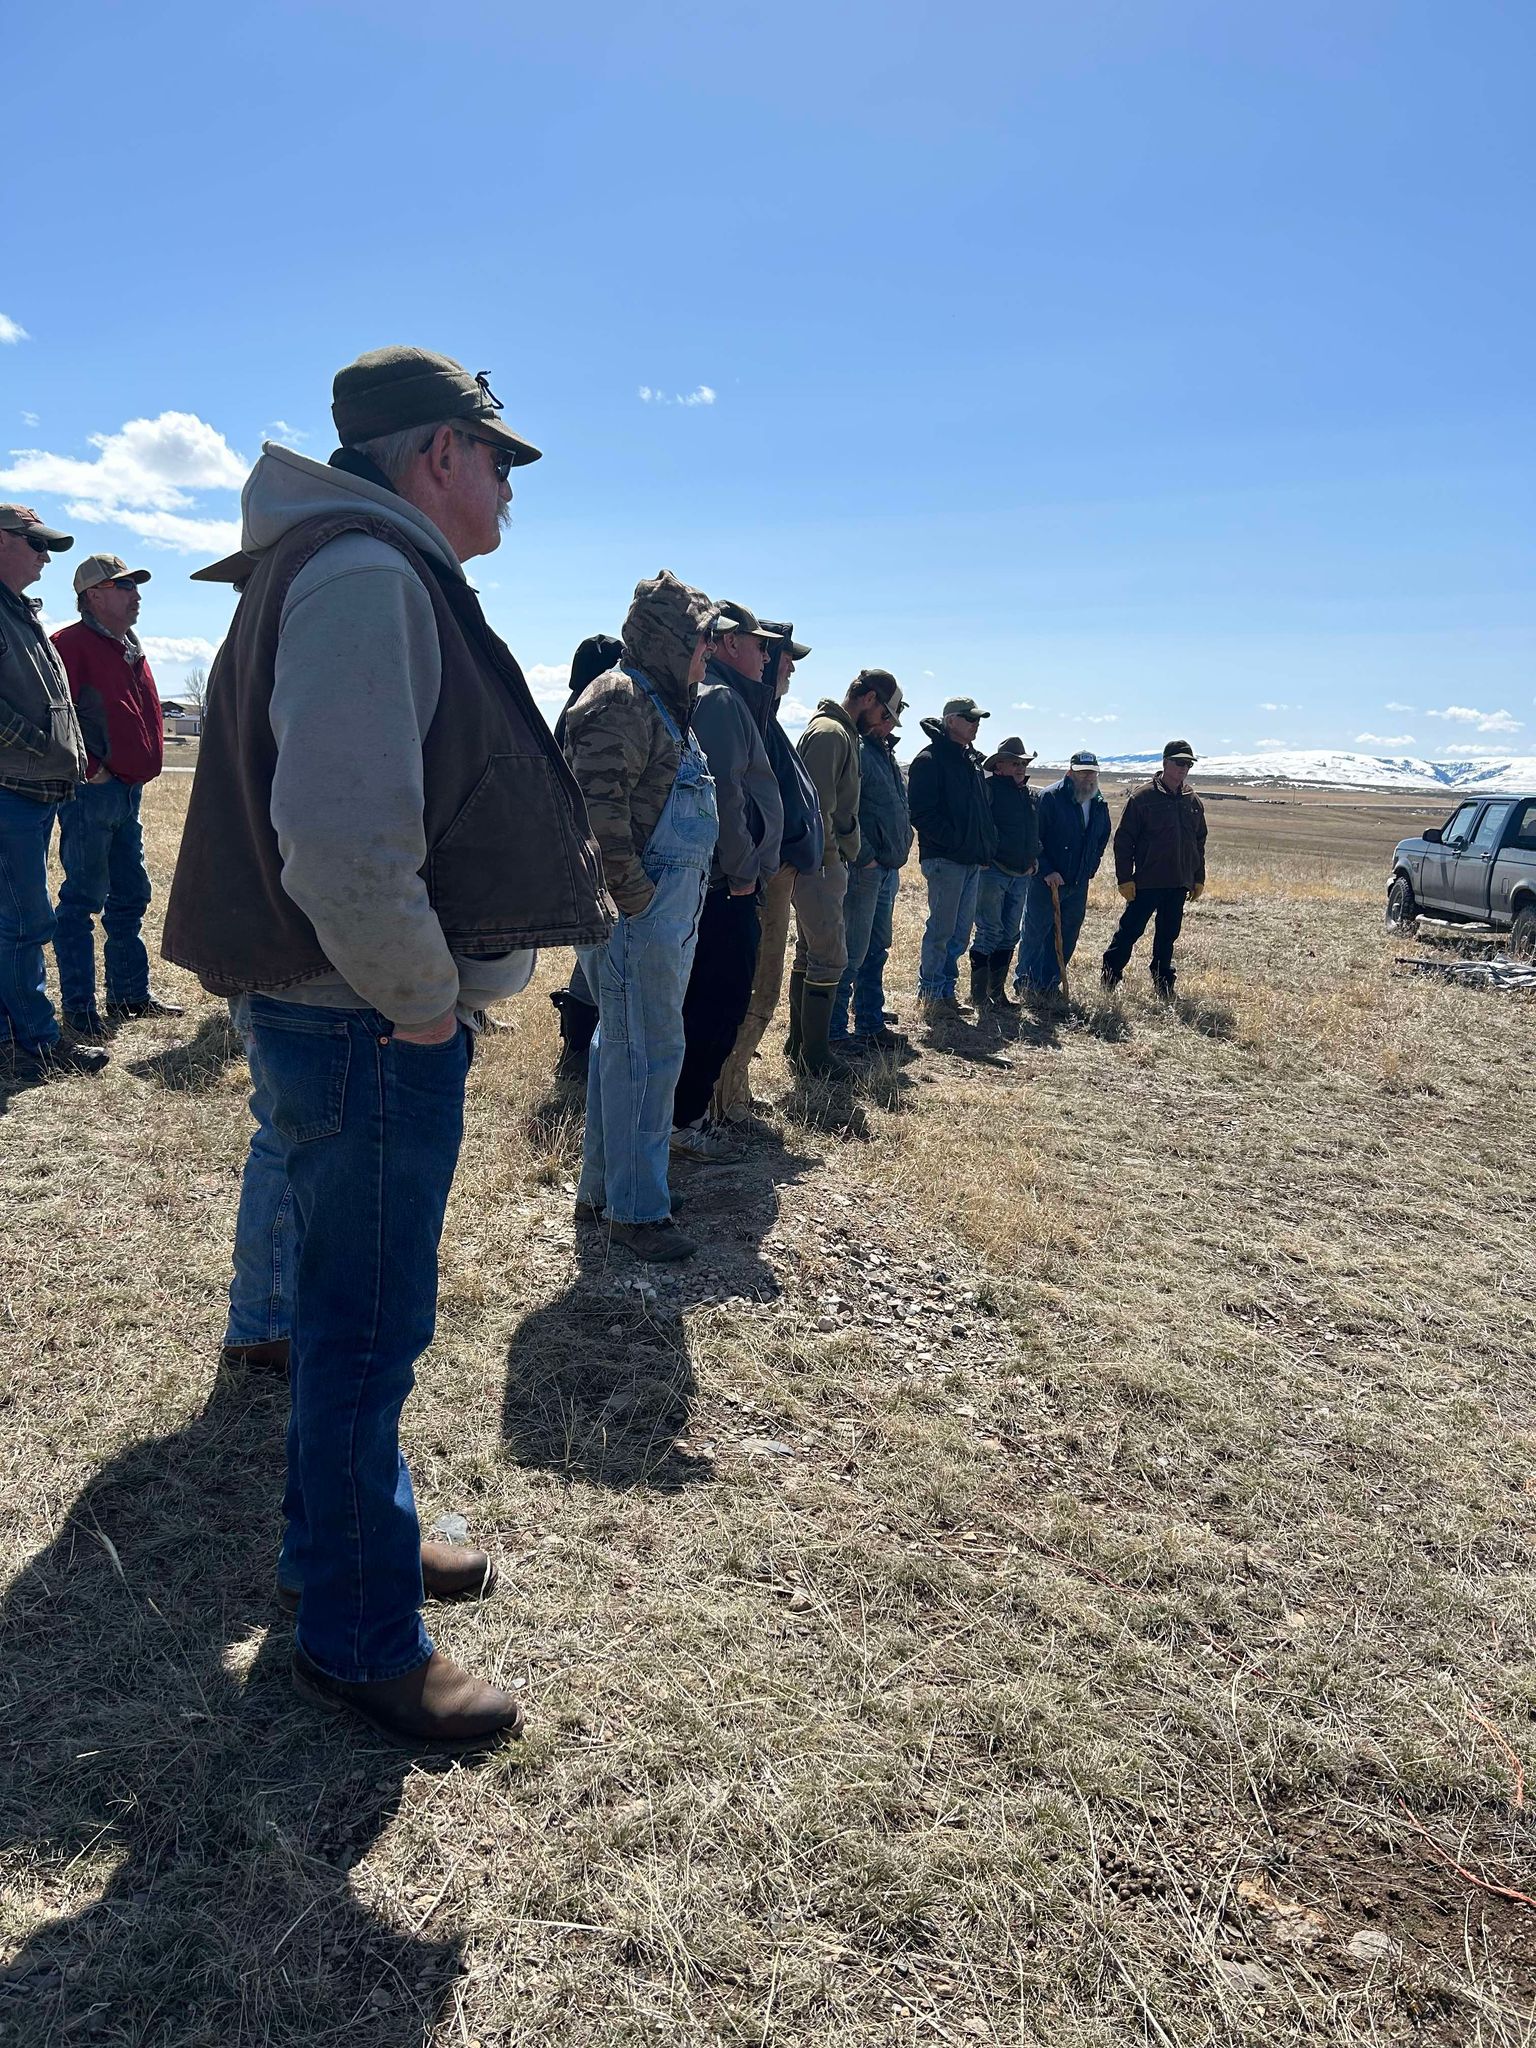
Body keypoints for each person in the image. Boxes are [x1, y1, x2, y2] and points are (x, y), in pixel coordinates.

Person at [162, 346, 612, 1750]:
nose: (506, 492)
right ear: (434, 456)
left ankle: (355, 1538)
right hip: (366, 1024)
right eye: (498, 462)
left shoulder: (355, 561)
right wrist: (421, 997)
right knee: (363, 1333)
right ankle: (357, 1632)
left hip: (353, 1019)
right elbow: (345, 842)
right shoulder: (365, 572)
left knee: (358, 1323)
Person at [564, 574, 719, 1260]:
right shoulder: (621, 697)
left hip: (658, 914)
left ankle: (613, 1189)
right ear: (669, 639)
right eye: (702, 640)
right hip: (639, 916)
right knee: (648, 1055)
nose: (708, 654)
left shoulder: (661, 703)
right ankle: (636, 1212)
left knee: (624, 1051)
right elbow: (598, 812)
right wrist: (636, 898)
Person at [50, 555, 184, 1037]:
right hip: (92, 795)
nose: (136, 594)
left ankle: (129, 997)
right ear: (92, 596)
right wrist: (90, 769)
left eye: (135, 585)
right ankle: (80, 1008)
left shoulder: (128, 645)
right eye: (123, 585)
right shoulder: (68, 645)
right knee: (82, 900)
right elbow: (55, 716)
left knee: (130, 895)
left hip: (127, 792)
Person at [671, 601, 784, 1158]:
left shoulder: (727, 697)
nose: (768, 655)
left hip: (725, 882)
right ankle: (683, 1122)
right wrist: (742, 872)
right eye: (760, 643)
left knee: (715, 1001)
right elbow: (723, 793)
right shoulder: (718, 700)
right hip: (723, 886)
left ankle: (683, 1119)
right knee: (715, 1002)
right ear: (727, 643)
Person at [0, 506, 107, 1080]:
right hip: (11, 789)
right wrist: (43, 746)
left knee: (13, 919)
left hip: (29, 788)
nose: (44, 556)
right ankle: (36, 1042)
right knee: (23, 921)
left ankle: (14, 1038)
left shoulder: (18, 610)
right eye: (34, 543)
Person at [711, 619, 822, 1124]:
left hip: (767, 871)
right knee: (752, 985)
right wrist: (751, 867)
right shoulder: (731, 704)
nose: (790, 666)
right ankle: (723, 1095)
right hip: (752, 875)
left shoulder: (760, 710)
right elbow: (732, 794)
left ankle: (733, 1087)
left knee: (762, 983)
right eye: (780, 654)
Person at [789, 669, 903, 1072]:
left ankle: (802, 1046)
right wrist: (834, 859)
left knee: (816, 954)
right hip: (821, 863)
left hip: (828, 861)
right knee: (829, 956)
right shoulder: (831, 735)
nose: (886, 722)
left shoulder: (840, 734)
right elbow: (819, 809)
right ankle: (816, 1054)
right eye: (885, 711)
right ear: (869, 698)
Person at [549, 630, 624, 1101]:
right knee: (601, 953)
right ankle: (580, 1049)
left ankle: (578, 1048)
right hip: (591, 856)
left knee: (595, 953)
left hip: (579, 855)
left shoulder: (571, 713)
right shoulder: (592, 716)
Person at [906, 696, 997, 1021]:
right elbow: (922, 812)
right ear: (950, 721)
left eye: (977, 719)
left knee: (959, 932)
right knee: (942, 930)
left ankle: (945, 991)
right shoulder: (930, 760)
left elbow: (979, 811)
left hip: (969, 859)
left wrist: (980, 847)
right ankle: (931, 992)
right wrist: (957, 842)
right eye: (969, 718)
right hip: (945, 859)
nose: (976, 724)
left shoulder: (968, 760)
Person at [832, 691, 910, 1050]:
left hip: (884, 869)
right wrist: (864, 855)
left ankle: (869, 1021)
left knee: (876, 948)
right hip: (865, 869)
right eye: (887, 715)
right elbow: (843, 806)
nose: (890, 723)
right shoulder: (860, 749)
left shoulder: (882, 752)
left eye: (893, 718)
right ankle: (834, 1030)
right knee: (851, 951)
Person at [1101, 740, 1207, 997]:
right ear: (1165, 762)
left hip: (1178, 882)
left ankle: (1164, 984)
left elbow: (1199, 842)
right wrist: (1125, 879)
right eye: (1179, 762)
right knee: (1130, 932)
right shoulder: (1142, 798)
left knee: (1167, 937)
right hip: (1147, 881)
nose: (1184, 768)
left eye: (1188, 764)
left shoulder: (1191, 800)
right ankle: (1109, 979)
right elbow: (1124, 841)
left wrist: (1197, 877)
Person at [1015, 749, 1111, 1000]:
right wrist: (1046, 870)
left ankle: (1050, 983)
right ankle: (1026, 983)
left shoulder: (1098, 802)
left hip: (1077, 882)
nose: (1088, 777)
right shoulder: (1050, 798)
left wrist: (1091, 866)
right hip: (1046, 882)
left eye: (1092, 772)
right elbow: (1034, 838)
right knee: (1036, 932)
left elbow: (1102, 837)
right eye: (1082, 773)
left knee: (1068, 932)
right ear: (1070, 773)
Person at [967, 736, 1039, 1011]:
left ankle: (997, 993)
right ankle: (979, 996)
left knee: (1010, 934)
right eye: (1014, 762)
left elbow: (1034, 831)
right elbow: (980, 826)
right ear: (999, 766)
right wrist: (984, 856)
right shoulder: (988, 790)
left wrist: (1034, 856)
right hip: (993, 870)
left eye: (1022, 762)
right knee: (989, 931)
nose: (1020, 767)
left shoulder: (1029, 794)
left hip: (1021, 873)